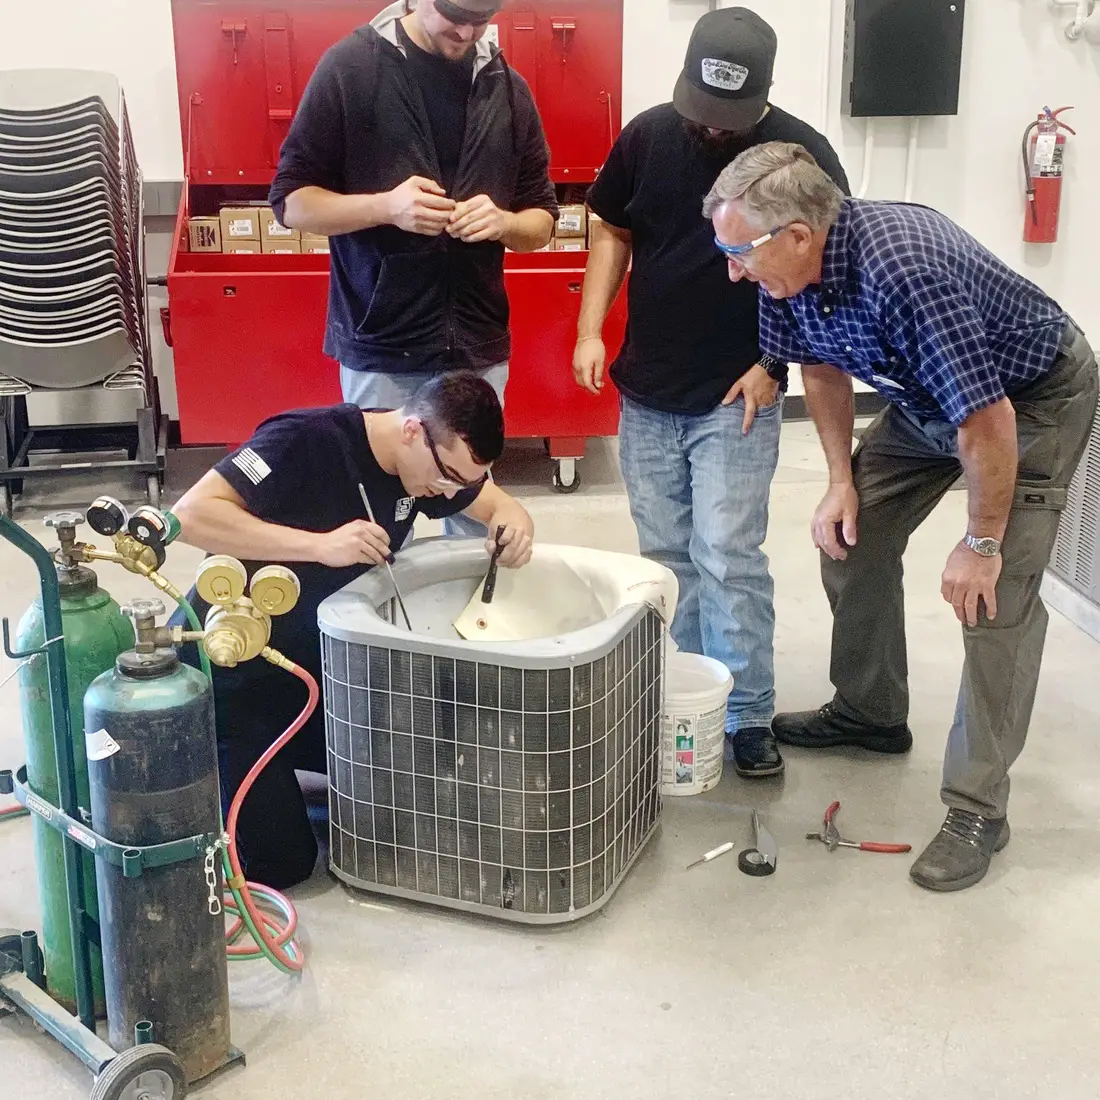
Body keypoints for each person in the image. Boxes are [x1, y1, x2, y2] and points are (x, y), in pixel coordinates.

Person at [705, 141, 1099, 890]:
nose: (731, 267)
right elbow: (816, 365)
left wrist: (981, 541)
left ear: (797, 235)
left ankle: (979, 806)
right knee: (850, 538)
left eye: (737, 250)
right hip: (924, 403)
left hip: (1030, 401)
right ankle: (871, 711)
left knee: (993, 598)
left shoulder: (903, 271)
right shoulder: (781, 270)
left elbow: (988, 421)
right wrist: (837, 480)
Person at [573, 8, 849, 778]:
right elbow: (613, 231)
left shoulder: (805, 158)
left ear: (764, 95)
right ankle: (683, 695)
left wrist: (774, 363)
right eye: (704, 110)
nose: (713, 130)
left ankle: (746, 712)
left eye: (733, 118)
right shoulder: (649, 135)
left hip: (742, 395)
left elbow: (823, 270)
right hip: (648, 389)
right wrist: (589, 328)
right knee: (666, 558)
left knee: (729, 556)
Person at [172, 372, 536, 889]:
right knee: (284, 866)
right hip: (236, 679)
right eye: (447, 475)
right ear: (412, 430)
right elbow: (188, 516)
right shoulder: (303, 438)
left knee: (428, 786)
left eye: (461, 482)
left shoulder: (425, 470)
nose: (448, 492)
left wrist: (514, 519)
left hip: (316, 676)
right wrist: (318, 545)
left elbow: (494, 501)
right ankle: (201, 772)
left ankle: (286, 766)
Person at [268, 0, 557, 534]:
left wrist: (504, 222)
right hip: (382, 344)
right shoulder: (351, 69)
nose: (468, 31)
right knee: (369, 526)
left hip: (477, 348)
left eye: (483, 18)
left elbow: (541, 222)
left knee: (473, 523)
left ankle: (466, 621)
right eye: (454, 14)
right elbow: (291, 203)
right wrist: (386, 207)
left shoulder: (508, 89)